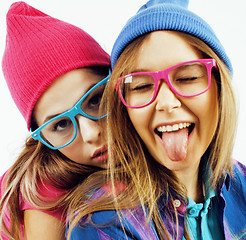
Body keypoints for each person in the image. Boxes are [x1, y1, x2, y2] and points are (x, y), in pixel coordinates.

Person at [66, 0, 246, 239]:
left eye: (188, 78)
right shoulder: (103, 220)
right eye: (141, 85)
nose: (166, 103)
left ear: (220, 88)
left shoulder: (240, 182)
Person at [0, 1, 110, 239]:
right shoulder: (43, 189)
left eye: (96, 99)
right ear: (40, 136)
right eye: (60, 124)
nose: (91, 133)